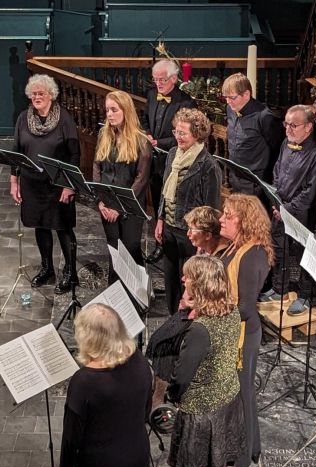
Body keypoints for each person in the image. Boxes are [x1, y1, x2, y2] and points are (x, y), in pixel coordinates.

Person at [167, 255, 246, 467]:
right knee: (227, 462)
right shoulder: (232, 310)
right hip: (230, 401)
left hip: (202, 411)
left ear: (199, 284)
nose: (182, 279)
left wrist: (181, 314)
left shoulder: (199, 330)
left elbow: (181, 377)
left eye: (188, 276)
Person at [60, 303, 153, 467]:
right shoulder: (140, 361)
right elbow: (145, 411)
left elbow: (71, 434)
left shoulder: (83, 382)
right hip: (136, 454)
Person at [219, 193, 274, 467]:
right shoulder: (236, 246)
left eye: (229, 215)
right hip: (236, 329)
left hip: (243, 334)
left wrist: (212, 315)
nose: (222, 219)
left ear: (246, 221)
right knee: (243, 390)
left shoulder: (252, 254)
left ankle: (242, 454)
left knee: (242, 393)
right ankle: (250, 446)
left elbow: (245, 306)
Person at [11, 74, 80, 294]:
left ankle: (70, 272)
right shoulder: (24, 118)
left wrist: (69, 185)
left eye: (41, 93)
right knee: (40, 226)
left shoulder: (64, 119)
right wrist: (15, 181)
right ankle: (47, 267)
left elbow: (74, 154)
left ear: (51, 95)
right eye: (33, 94)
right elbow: (16, 152)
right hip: (32, 183)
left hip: (58, 184)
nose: (37, 97)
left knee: (63, 227)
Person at [258, 104, 316, 315]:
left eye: (293, 125)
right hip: (281, 208)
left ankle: (305, 296)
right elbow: (277, 171)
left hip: (303, 215)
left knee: (303, 255)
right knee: (279, 249)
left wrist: (287, 209)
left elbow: (310, 191)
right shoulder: (285, 143)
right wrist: (276, 200)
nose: (288, 129)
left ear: (308, 127)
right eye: (286, 124)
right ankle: (280, 289)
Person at [155, 108, 222, 315]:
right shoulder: (173, 154)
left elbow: (211, 210)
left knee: (189, 284)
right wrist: (160, 219)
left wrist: (204, 242)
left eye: (183, 133)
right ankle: (172, 317)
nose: (178, 136)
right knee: (170, 280)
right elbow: (165, 191)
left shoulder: (208, 165)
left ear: (197, 133)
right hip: (169, 229)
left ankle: (185, 319)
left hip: (190, 235)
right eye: (176, 131)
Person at [93, 90, 151, 284]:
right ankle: (115, 291)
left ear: (126, 111)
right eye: (107, 110)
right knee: (114, 250)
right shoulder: (104, 134)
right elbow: (97, 167)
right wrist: (100, 201)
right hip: (107, 204)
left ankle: (139, 294)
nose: (109, 114)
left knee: (131, 250)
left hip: (130, 207)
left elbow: (141, 179)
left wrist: (119, 206)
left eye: (114, 110)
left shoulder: (141, 140)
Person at [140, 59, 197, 221]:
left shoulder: (186, 102)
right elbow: (144, 119)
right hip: (152, 159)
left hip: (173, 162)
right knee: (156, 200)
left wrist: (159, 143)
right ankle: (158, 242)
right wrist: (148, 134)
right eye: (155, 79)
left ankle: (167, 242)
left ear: (174, 78)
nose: (158, 83)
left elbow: (188, 136)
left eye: (162, 79)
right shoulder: (152, 95)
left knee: (170, 206)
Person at [223, 73, 283, 196]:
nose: (228, 102)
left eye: (232, 98)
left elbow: (277, 147)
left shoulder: (264, 116)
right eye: (226, 97)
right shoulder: (230, 109)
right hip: (235, 176)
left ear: (246, 94)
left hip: (254, 182)